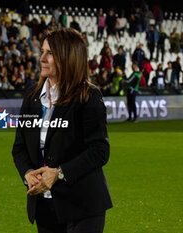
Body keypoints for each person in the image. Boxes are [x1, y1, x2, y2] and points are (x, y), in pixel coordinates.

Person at [12, 28, 112, 233]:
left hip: (83, 205)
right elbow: (19, 147)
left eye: (50, 53)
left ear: (68, 57)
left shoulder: (88, 97)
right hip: (44, 207)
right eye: (42, 52)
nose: (42, 58)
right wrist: (28, 173)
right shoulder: (31, 97)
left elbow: (99, 150)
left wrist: (58, 173)